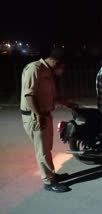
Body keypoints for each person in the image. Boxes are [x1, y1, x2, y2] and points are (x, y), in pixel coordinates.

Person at [21, 48, 73, 193]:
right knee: (42, 150)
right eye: (63, 67)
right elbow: (29, 95)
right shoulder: (34, 69)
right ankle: (49, 182)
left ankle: (51, 175)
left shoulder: (48, 71)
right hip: (35, 115)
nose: (62, 70)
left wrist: (67, 104)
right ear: (57, 62)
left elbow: (52, 96)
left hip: (45, 113)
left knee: (46, 148)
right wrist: (38, 115)